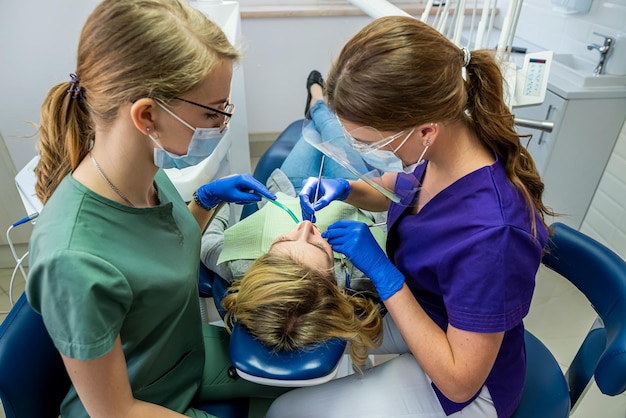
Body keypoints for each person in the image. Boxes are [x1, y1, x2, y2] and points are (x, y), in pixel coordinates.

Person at [267, 16, 554, 418]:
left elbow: (459, 380)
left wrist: (384, 274)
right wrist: (350, 189)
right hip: (426, 311)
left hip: (465, 387)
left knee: (285, 413)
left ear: (425, 130)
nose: (363, 154)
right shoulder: (446, 150)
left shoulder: (494, 235)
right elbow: (402, 186)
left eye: (370, 142)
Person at [25, 1, 287, 417]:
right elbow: (117, 412)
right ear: (147, 116)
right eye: (211, 111)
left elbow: (158, 250)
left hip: (183, 360)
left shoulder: (143, 171)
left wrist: (205, 200)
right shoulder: (73, 259)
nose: (221, 124)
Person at [201, 71, 385, 367]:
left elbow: (206, 238)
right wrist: (360, 196)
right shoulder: (365, 275)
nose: (305, 226)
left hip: (293, 184)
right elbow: (393, 219)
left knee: (310, 132)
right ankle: (319, 102)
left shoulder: (238, 265)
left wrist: (217, 199)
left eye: (284, 239)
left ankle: (317, 103)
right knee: (337, 134)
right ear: (334, 284)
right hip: (352, 191)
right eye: (319, 245)